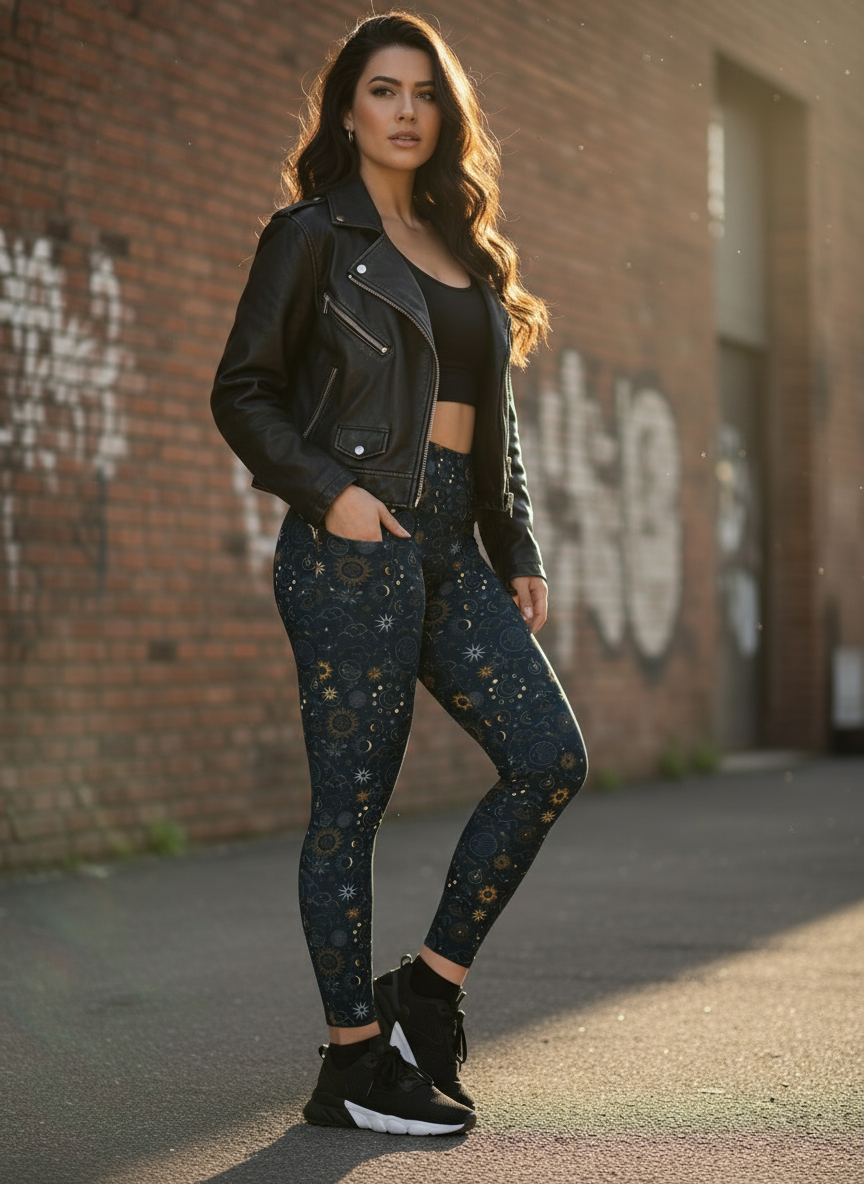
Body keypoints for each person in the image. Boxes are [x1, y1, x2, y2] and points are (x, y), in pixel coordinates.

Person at [211, 11, 588, 1137]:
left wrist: (514, 545)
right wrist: (332, 493)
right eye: (383, 90)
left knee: (547, 756)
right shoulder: (312, 235)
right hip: (354, 540)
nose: (407, 111)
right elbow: (244, 391)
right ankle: (352, 1062)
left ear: (446, 112)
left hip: (451, 543)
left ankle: (425, 987)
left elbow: (499, 426)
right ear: (347, 109)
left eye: (425, 93)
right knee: (352, 809)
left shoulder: (468, 247)